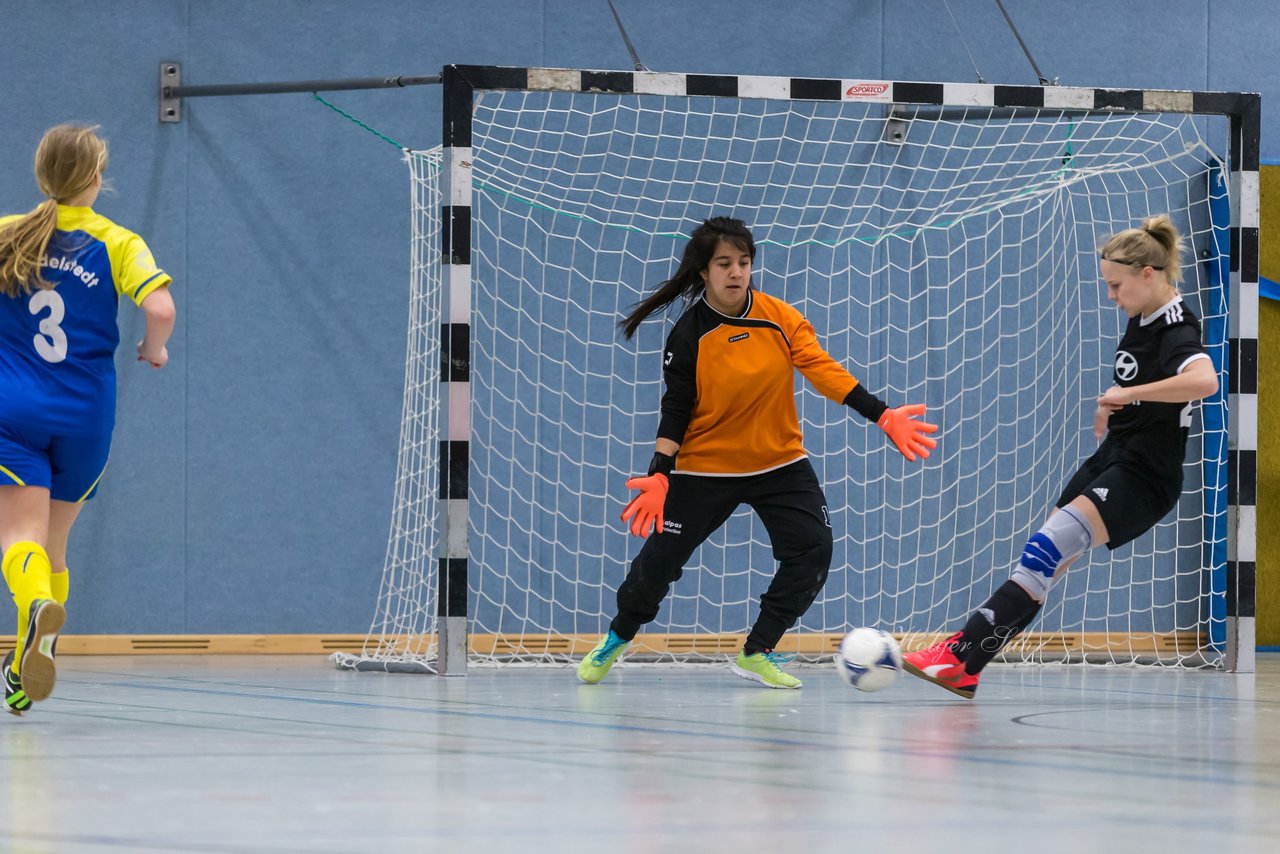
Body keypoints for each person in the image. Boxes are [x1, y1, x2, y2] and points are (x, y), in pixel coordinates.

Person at [576, 216, 938, 689]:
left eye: (743, 262)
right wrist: (661, 473)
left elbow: (822, 369)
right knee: (657, 565)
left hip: (780, 464)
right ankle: (616, 638)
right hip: (705, 469)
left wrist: (883, 414)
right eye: (724, 263)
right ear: (703, 271)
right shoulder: (689, 335)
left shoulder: (779, 317)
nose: (736, 272)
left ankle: (758, 650)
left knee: (812, 551)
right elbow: (676, 409)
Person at [903, 214, 1218, 699]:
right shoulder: (1144, 314)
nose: (1111, 296)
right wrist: (1118, 407)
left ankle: (958, 650)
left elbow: (1204, 381)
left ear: (1147, 275)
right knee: (1043, 562)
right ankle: (966, 668)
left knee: (1047, 550)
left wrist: (1130, 396)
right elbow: (1145, 388)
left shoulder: (1176, 324)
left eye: (1116, 286)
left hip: (1146, 474)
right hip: (1116, 455)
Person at [0, 124, 175, 715]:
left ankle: (32, 610)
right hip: (85, 414)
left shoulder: (7, 234)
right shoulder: (119, 242)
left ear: (41, 175)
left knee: (17, 538)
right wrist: (155, 348)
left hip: (12, 408)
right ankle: (27, 669)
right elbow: (161, 307)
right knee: (55, 545)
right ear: (96, 178)